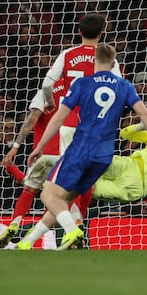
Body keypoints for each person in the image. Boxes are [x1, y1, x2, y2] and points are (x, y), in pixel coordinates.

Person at [17, 44, 147, 250]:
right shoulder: (124, 85)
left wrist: (40, 146)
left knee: (48, 195)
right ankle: (27, 242)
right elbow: (144, 114)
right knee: (64, 199)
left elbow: (59, 117)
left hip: (81, 150)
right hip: (104, 156)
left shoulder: (83, 84)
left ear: (94, 60)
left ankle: (73, 231)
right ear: (114, 62)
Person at [40, 12, 121, 231]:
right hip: (97, 127)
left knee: (69, 179)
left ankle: (74, 224)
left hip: (70, 124)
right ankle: (78, 222)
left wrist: (50, 102)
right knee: (88, 180)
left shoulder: (67, 54)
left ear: (79, 32)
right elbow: (118, 87)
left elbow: (47, 84)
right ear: (102, 32)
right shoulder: (107, 57)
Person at [0, 79, 67, 248]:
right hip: (67, 155)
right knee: (59, 200)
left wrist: (15, 147)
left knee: (29, 189)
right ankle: (36, 234)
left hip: (43, 154)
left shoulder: (45, 92)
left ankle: (15, 222)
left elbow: (33, 117)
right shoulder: (77, 91)